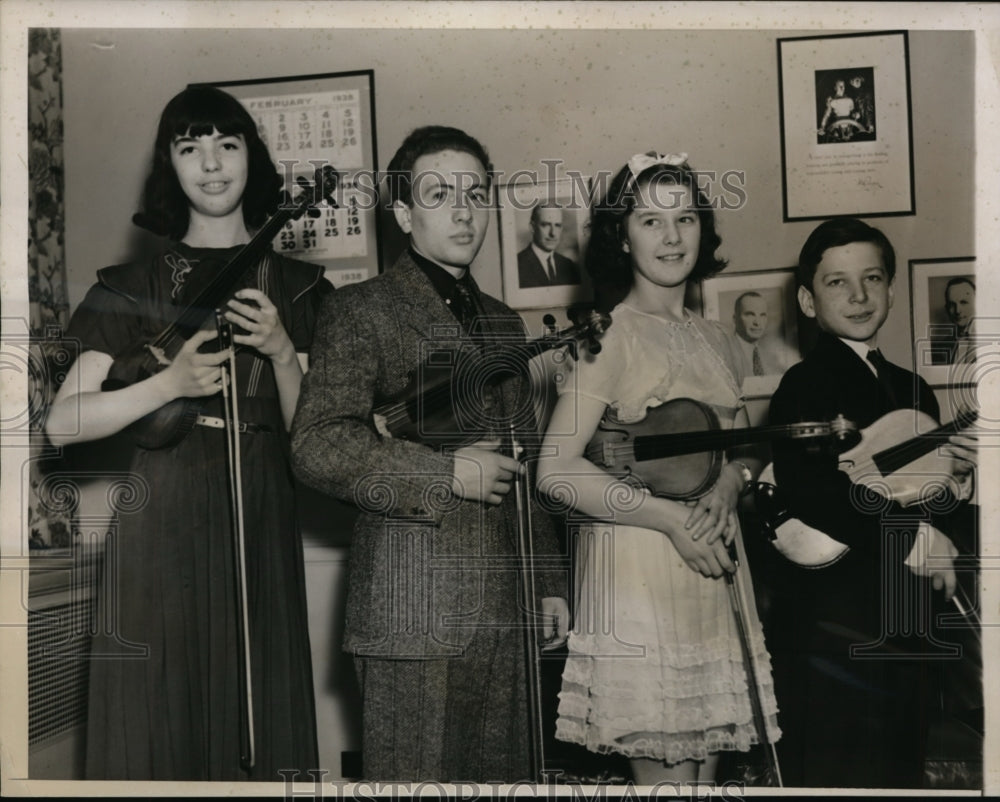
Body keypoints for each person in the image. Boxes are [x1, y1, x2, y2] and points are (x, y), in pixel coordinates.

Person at [44, 85, 327, 780]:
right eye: (189, 146)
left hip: (260, 504)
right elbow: (64, 424)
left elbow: (320, 444)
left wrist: (285, 353)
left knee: (254, 713)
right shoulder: (130, 284)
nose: (210, 163)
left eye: (227, 144)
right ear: (168, 166)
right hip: (162, 511)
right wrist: (168, 385)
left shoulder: (301, 287)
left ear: (250, 160)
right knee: (160, 716)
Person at [290, 125, 569, 782]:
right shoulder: (360, 310)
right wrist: (447, 473)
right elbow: (316, 445)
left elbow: (524, 463)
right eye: (440, 194)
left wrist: (551, 582)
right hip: (410, 610)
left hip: (507, 607)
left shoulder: (505, 321)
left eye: (475, 193)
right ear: (404, 213)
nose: (463, 209)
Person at [537, 152, 780, 785]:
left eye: (685, 218)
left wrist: (732, 480)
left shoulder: (725, 340)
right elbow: (555, 470)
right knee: (668, 784)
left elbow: (748, 449)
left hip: (716, 567)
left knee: (702, 782)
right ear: (622, 235)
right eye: (650, 220)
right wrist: (672, 521)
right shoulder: (607, 335)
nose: (672, 237)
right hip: (642, 562)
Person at [766, 218, 979, 788]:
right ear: (808, 301)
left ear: (889, 288)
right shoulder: (804, 385)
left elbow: (920, 493)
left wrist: (955, 477)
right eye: (837, 283)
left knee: (900, 767)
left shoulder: (914, 388)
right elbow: (811, 490)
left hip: (904, 624)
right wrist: (910, 537)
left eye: (872, 278)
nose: (858, 296)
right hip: (836, 629)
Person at [730, 291, 798, 377]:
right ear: (735, 319)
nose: (757, 322)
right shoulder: (725, 354)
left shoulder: (773, 357)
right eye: (750, 314)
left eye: (762, 315)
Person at [517, 203, 582, 287]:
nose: (553, 233)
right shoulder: (518, 264)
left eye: (557, 225)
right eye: (546, 225)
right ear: (532, 227)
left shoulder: (569, 266)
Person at [932, 276, 977, 364]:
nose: (957, 310)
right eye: (952, 305)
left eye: (963, 302)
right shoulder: (941, 347)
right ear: (946, 309)